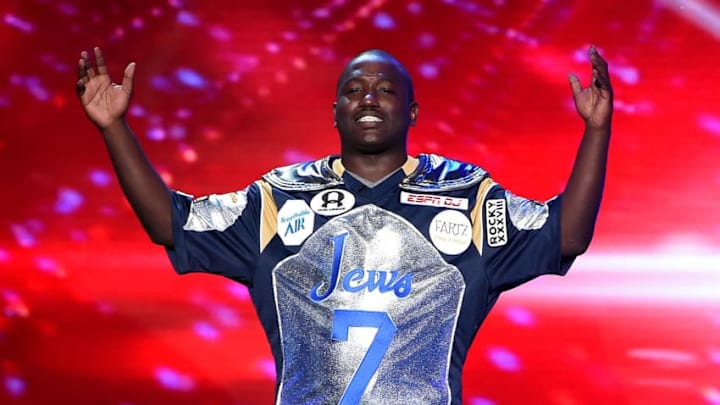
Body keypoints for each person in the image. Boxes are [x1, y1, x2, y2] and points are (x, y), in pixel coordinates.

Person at [76, 45, 613, 404]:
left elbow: (566, 234)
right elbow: (172, 223)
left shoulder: (466, 196)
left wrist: (596, 130)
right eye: (355, 90)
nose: (369, 99)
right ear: (334, 111)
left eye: (385, 89)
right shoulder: (279, 198)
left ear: (413, 111)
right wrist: (114, 129)